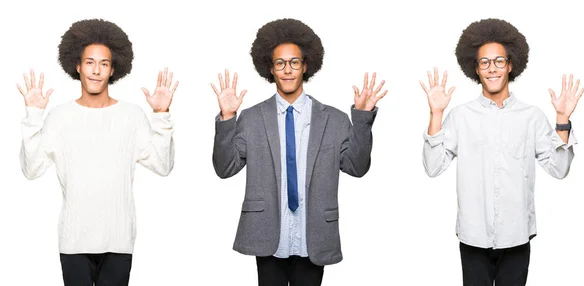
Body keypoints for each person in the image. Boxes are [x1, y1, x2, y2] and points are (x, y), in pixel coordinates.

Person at [211, 18, 387, 285]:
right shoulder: (251, 118)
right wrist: (227, 118)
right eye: (280, 63)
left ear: (306, 66)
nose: (287, 70)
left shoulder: (335, 120)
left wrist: (362, 118)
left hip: (313, 236)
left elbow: (358, 167)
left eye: (294, 62)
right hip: (268, 235)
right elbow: (224, 169)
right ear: (270, 69)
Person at [420, 18, 584, 286]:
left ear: (510, 65)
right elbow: (432, 166)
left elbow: (559, 168)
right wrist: (436, 114)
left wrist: (562, 120)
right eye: (484, 62)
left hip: (517, 236)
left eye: (499, 61)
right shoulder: (460, 116)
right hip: (473, 237)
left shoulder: (531, 116)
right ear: (475, 68)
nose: (492, 68)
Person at [17, 18, 178, 286]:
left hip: (118, 241)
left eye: (103, 64)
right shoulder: (60, 117)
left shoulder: (131, 115)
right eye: (89, 62)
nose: (95, 71)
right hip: (74, 241)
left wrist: (161, 115)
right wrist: (33, 115)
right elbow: (31, 169)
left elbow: (163, 165)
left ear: (113, 69)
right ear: (77, 66)